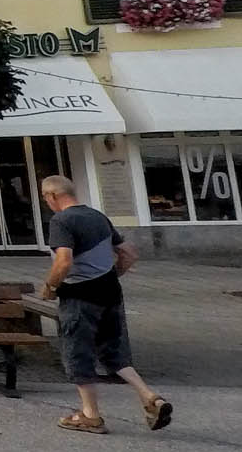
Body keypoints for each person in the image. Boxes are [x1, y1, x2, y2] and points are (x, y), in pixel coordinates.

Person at [40, 175, 170, 434]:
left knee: (78, 352)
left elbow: (63, 261)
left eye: (46, 198)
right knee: (112, 351)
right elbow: (129, 253)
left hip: (80, 295)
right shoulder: (98, 216)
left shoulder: (61, 221)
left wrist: (51, 287)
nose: (47, 203)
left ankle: (91, 415)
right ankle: (150, 397)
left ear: (52, 196)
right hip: (110, 291)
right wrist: (113, 274)